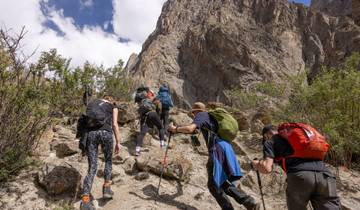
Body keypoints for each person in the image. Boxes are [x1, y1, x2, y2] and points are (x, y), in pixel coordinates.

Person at [168, 102, 260, 210]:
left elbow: (190, 128)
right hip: (227, 148)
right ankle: (249, 202)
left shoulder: (201, 115)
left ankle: (232, 207)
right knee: (222, 182)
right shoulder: (211, 118)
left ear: (196, 111)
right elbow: (194, 131)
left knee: (213, 185)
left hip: (217, 149)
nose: (193, 116)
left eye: (193, 113)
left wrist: (175, 129)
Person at [252, 125, 341, 210]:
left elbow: (267, 168)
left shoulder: (271, 141)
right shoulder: (295, 139)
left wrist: (256, 164)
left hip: (300, 176)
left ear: (266, 135)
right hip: (325, 176)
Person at [80, 94, 121, 210]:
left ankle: (85, 201)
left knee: (92, 167)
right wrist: (118, 141)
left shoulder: (93, 104)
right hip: (106, 134)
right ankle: (107, 189)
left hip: (91, 135)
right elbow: (114, 124)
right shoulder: (112, 106)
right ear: (111, 99)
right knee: (108, 161)